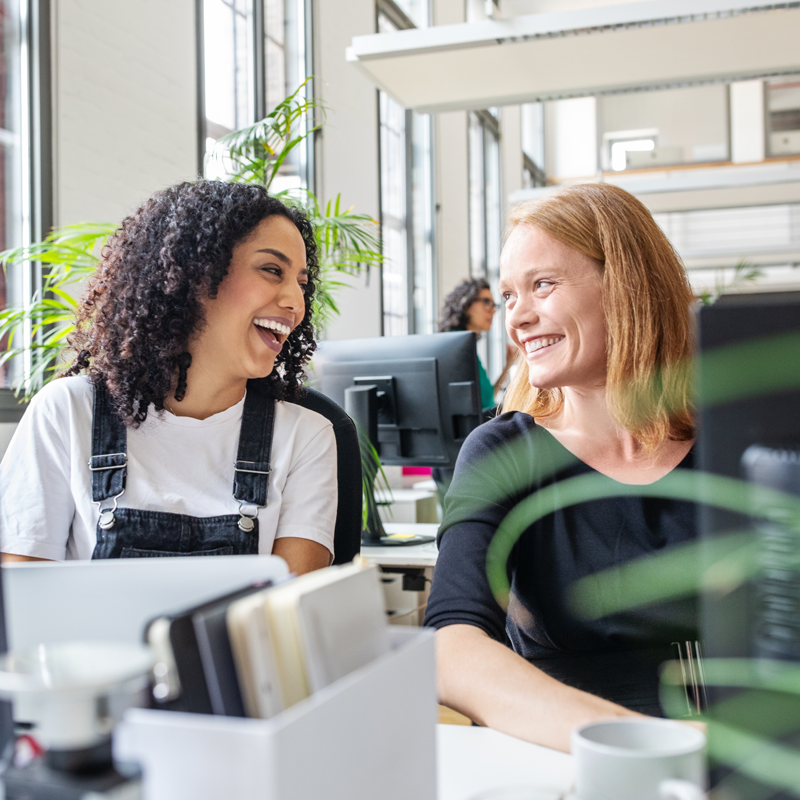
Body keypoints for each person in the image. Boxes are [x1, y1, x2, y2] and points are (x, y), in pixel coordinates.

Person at [424, 183, 697, 752]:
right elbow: (451, 646)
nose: (517, 317)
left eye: (541, 285)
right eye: (507, 297)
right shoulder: (503, 452)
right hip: (573, 760)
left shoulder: (735, 444)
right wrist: (650, 744)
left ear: (626, 286)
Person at [0, 180, 337, 574]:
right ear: (194, 273)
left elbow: (290, 620)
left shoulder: (305, 437)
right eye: (271, 270)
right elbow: (25, 608)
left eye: (301, 284)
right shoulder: (66, 412)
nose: (295, 303)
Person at [438, 277, 515, 414]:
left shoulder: (466, 346)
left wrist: (508, 365)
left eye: (494, 305)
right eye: (486, 302)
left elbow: (486, 397)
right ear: (465, 304)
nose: (493, 310)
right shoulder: (455, 348)